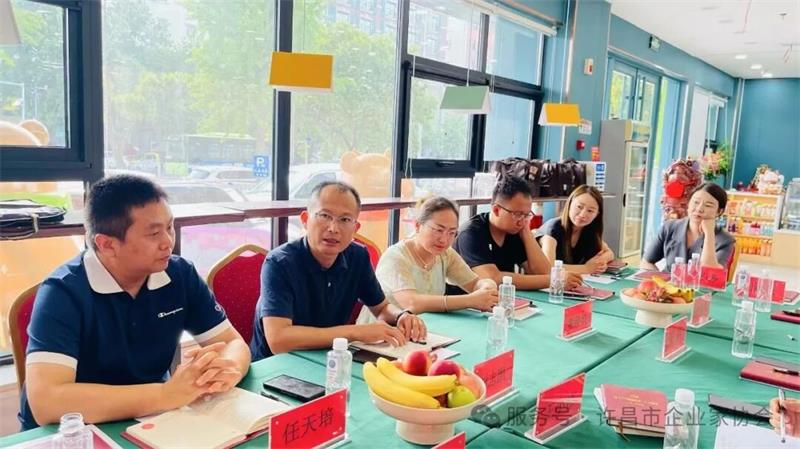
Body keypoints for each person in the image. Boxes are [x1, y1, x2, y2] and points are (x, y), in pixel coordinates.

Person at [20, 175, 251, 430]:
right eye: (154, 233)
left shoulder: (180, 274)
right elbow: (47, 402)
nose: (168, 242)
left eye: (170, 227)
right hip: (74, 431)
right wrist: (165, 395)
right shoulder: (63, 292)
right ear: (107, 244)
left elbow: (232, 343)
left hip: (150, 419)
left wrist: (226, 370)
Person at [250, 181, 427, 361]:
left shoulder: (358, 256)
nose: (333, 228)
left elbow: (381, 308)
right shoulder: (279, 263)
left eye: (345, 220)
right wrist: (355, 332)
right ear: (305, 220)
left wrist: (401, 315)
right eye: (325, 216)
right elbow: (279, 340)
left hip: (331, 357)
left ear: (355, 228)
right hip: (277, 365)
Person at [357, 197, 498, 323]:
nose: (444, 240)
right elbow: (412, 303)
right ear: (418, 225)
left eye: (451, 233)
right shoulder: (395, 256)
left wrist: (487, 286)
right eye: (438, 230)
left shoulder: (446, 254)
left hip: (424, 329)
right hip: (381, 331)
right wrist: (470, 300)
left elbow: (474, 283)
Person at [451, 175, 583, 291]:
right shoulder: (471, 233)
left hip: (499, 301)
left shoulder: (514, 231)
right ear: (496, 210)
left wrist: (526, 233)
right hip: (462, 304)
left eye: (527, 215)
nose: (522, 221)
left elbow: (543, 272)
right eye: (518, 214)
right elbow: (493, 279)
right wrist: (554, 280)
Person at [641, 182, 735, 271]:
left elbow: (710, 272)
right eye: (696, 202)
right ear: (688, 204)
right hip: (669, 282)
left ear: (719, 211)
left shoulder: (725, 240)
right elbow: (646, 262)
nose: (699, 209)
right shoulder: (670, 227)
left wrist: (709, 234)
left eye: (708, 205)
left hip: (700, 283)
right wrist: (660, 280)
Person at [537, 185, 614, 274]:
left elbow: (609, 253)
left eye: (590, 211)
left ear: (597, 214)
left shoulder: (588, 230)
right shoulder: (553, 228)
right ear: (569, 204)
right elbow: (548, 267)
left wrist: (599, 262)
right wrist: (587, 268)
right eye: (579, 207)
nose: (582, 214)